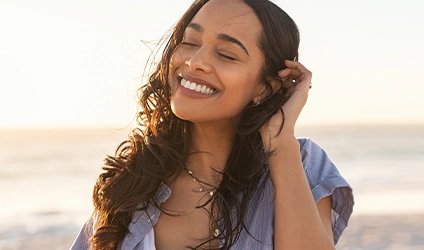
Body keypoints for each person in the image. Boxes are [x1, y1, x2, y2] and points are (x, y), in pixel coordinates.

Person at [70, 0, 354, 249]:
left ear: (265, 88)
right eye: (190, 43)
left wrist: (279, 140)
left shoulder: (300, 164)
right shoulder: (130, 181)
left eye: (226, 55)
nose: (195, 62)